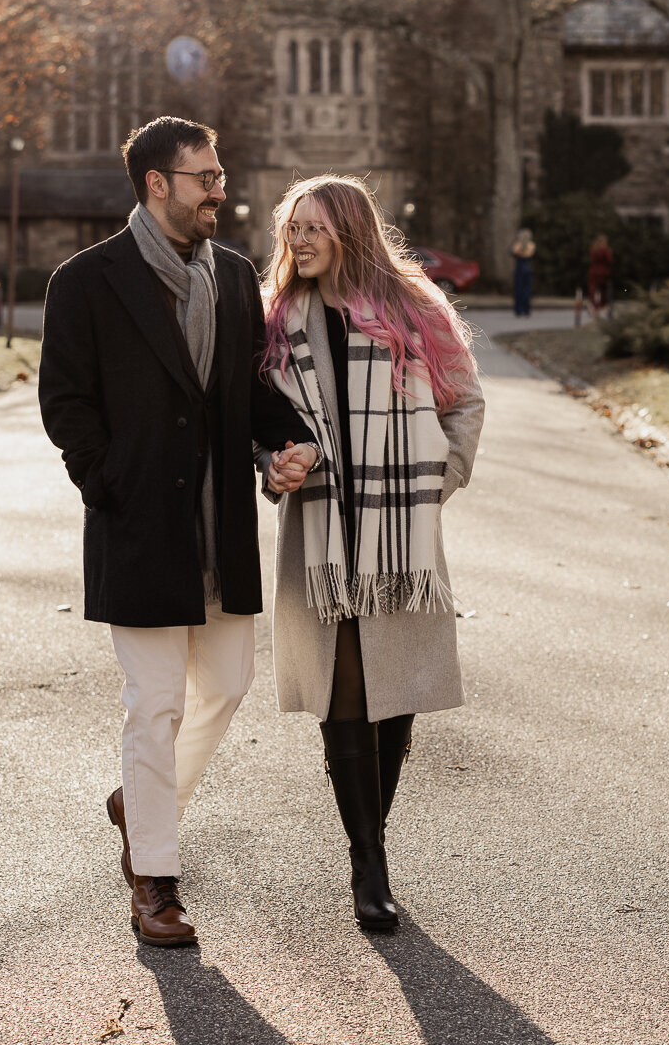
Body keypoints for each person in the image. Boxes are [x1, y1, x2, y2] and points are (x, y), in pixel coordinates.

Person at [38, 116, 318, 947]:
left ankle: (139, 800)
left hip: (220, 527)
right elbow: (66, 404)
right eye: (205, 177)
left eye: (219, 174)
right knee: (152, 705)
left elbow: (249, 392)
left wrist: (287, 440)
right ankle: (154, 883)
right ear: (157, 183)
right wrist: (106, 484)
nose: (220, 190)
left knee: (227, 686)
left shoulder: (233, 278)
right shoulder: (86, 281)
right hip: (138, 527)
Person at [258, 175, 485, 933]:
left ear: (351, 232)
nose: (301, 240)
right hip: (322, 535)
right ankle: (369, 866)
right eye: (294, 227)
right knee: (344, 692)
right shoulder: (273, 318)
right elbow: (260, 423)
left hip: (400, 532)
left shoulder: (413, 308)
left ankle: (370, 847)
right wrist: (271, 465)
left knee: (396, 697)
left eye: (316, 227)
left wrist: (437, 481)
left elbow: (463, 400)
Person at [587, 233, 615, 317]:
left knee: (594, 291)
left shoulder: (593, 249)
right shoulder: (606, 250)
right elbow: (610, 260)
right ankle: (605, 309)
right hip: (603, 274)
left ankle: (594, 307)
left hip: (594, 273)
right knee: (604, 292)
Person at [510, 227, 536, 317]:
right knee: (526, 289)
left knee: (519, 288)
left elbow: (513, 252)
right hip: (527, 266)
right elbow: (531, 254)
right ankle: (526, 309)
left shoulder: (518, 245)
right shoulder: (531, 245)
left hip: (520, 266)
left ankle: (519, 309)